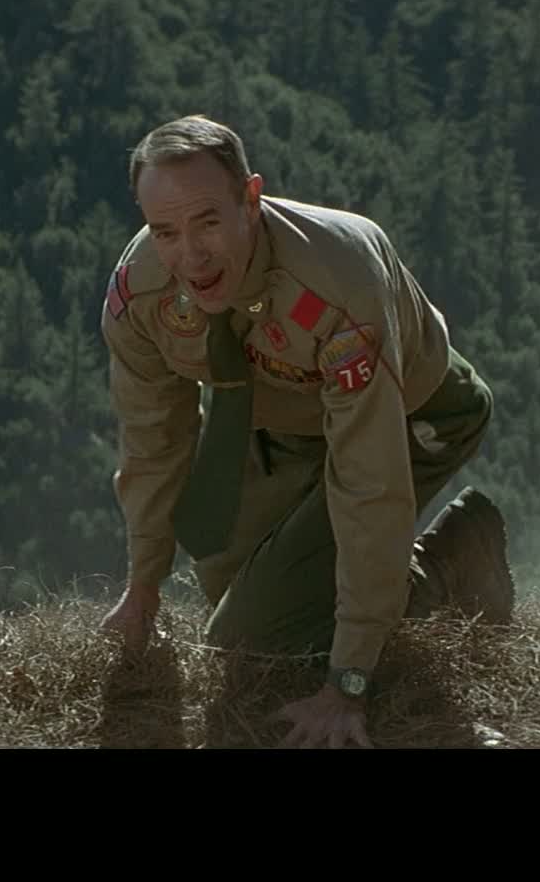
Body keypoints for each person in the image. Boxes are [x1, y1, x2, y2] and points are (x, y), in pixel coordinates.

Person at [97, 114, 515, 749]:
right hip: (283, 421)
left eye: (208, 222)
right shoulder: (142, 294)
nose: (190, 254)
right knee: (228, 588)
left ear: (251, 199)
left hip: (411, 412)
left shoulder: (337, 282)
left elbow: (368, 484)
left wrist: (349, 683)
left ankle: (452, 557)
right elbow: (154, 440)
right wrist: (143, 586)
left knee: (249, 635)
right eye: (165, 231)